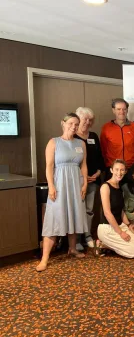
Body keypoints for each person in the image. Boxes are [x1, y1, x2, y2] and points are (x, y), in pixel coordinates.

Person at [36, 113, 88, 272]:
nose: (74, 126)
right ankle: (44, 259)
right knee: (54, 219)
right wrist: (51, 186)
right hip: (59, 184)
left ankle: (72, 249)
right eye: (71, 123)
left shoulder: (81, 143)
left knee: (73, 214)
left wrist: (85, 184)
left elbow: (84, 165)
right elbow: (49, 166)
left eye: (77, 124)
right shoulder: (54, 142)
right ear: (63, 123)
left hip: (76, 183)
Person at [96, 159, 134, 258]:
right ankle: (101, 244)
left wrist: (128, 226)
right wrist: (121, 233)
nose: (119, 173)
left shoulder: (120, 187)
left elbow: (121, 210)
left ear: (125, 172)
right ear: (111, 170)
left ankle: (106, 245)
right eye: (117, 169)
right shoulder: (105, 187)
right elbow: (107, 213)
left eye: (122, 170)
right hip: (107, 228)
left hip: (120, 225)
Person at [74, 107, 105, 249]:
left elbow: (100, 158)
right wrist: (83, 175)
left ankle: (87, 235)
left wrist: (98, 173)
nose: (87, 122)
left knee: (89, 209)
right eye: (84, 118)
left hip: (93, 180)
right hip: (77, 180)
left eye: (90, 119)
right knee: (77, 209)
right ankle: (77, 238)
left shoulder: (93, 136)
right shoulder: (72, 137)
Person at [100, 98, 134, 170]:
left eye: (124, 109)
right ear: (113, 110)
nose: (122, 112)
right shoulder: (106, 128)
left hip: (131, 167)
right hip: (113, 168)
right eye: (118, 109)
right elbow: (103, 149)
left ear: (127, 110)